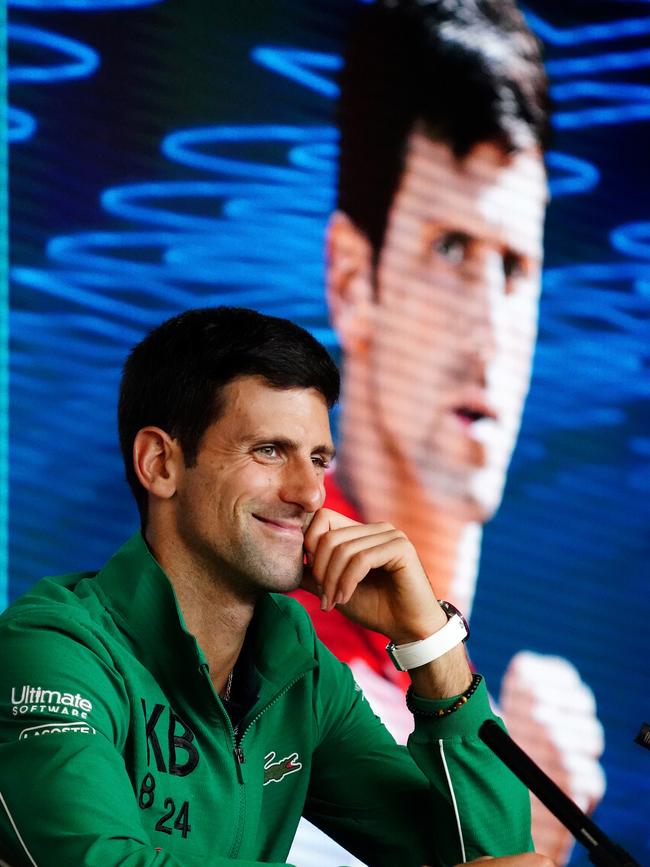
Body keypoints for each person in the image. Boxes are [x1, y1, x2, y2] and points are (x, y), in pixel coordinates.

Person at [0, 307, 554, 867]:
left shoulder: (297, 667)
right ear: (160, 463)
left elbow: (485, 857)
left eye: (318, 459)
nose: (311, 493)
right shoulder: (50, 648)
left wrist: (430, 640)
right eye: (269, 451)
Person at [291, 0, 604, 862]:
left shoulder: (451, 693)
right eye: (451, 250)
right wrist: (528, 846)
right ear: (355, 281)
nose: (489, 328)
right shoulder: (267, 667)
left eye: (515, 265)